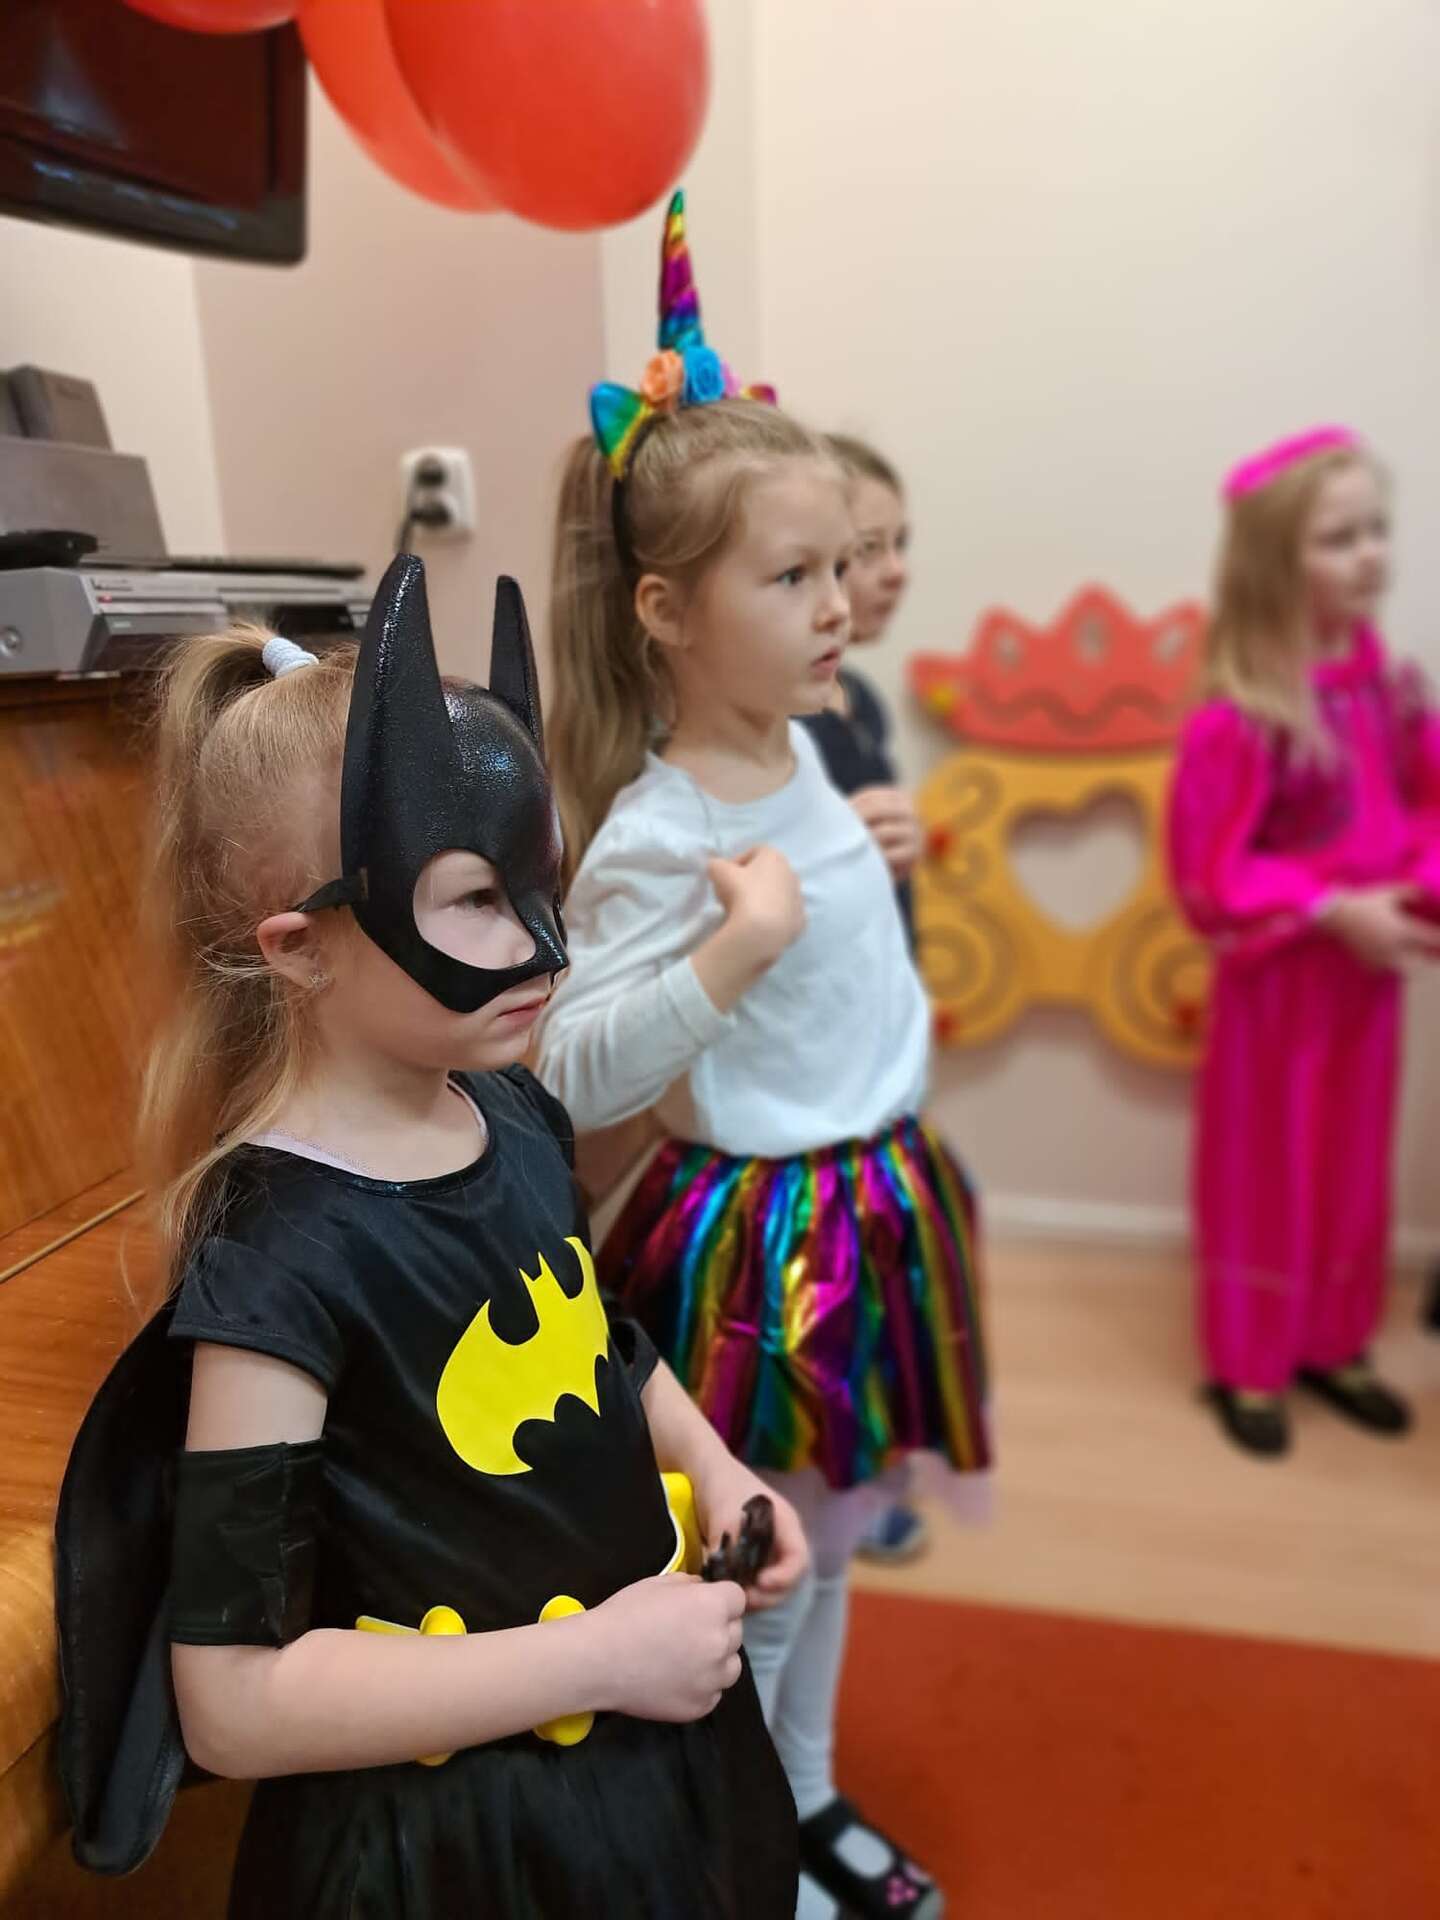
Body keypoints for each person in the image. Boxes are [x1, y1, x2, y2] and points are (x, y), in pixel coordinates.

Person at [54, 557, 807, 1918]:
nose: (542, 948)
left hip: (636, 1763)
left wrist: (712, 1459)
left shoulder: (507, 1110)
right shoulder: (278, 1266)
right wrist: (599, 1661)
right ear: (298, 948)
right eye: (473, 901)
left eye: (539, 885)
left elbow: (591, 1334)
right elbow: (232, 1700)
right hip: (463, 1845)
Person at [537, 191, 989, 1920]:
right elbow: (572, 1072)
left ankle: (803, 1798)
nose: (838, 606)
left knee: (842, 1543)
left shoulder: (804, 750)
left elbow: (830, 943)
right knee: (768, 1576)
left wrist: (857, 862)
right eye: (791, 577)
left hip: (877, 1201)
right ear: (665, 608)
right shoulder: (659, 833)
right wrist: (729, 955)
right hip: (775, 1246)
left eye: (839, 569)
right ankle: (752, 1852)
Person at [1168, 426, 1440, 1457]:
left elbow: (1428, 806)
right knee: (1265, 1167)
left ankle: (1334, 1340)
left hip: (1366, 981)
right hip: (1277, 987)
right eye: (1339, 538)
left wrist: (1416, 892)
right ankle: (1249, 1361)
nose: (1372, 555)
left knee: (1351, 1164)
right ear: (1276, 563)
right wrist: (1332, 907)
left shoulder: (1393, 691)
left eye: (1377, 529)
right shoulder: (1241, 717)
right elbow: (1210, 870)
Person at [800, 432, 928, 1565]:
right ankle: (835, 1478)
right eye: (861, 552)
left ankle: (869, 1455)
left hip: (881, 1035)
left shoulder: (865, 703)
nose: (887, 575)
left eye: (896, 547)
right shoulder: (790, 727)